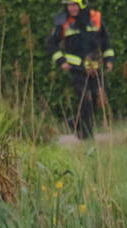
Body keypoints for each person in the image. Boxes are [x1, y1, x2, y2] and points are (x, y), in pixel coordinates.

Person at [46, 1, 115, 139]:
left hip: (95, 68)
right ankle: (86, 134)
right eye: (69, 5)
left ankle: (75, 122)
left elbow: (106, 41)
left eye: (74, 5)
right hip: (76, 68)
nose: (71, 8)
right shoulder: (63, 21)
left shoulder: (95, 17)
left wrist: (109, 61)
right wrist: (62, 61)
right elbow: (51, 44)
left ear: (82, 4)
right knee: (85, 99)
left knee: (96, 99)